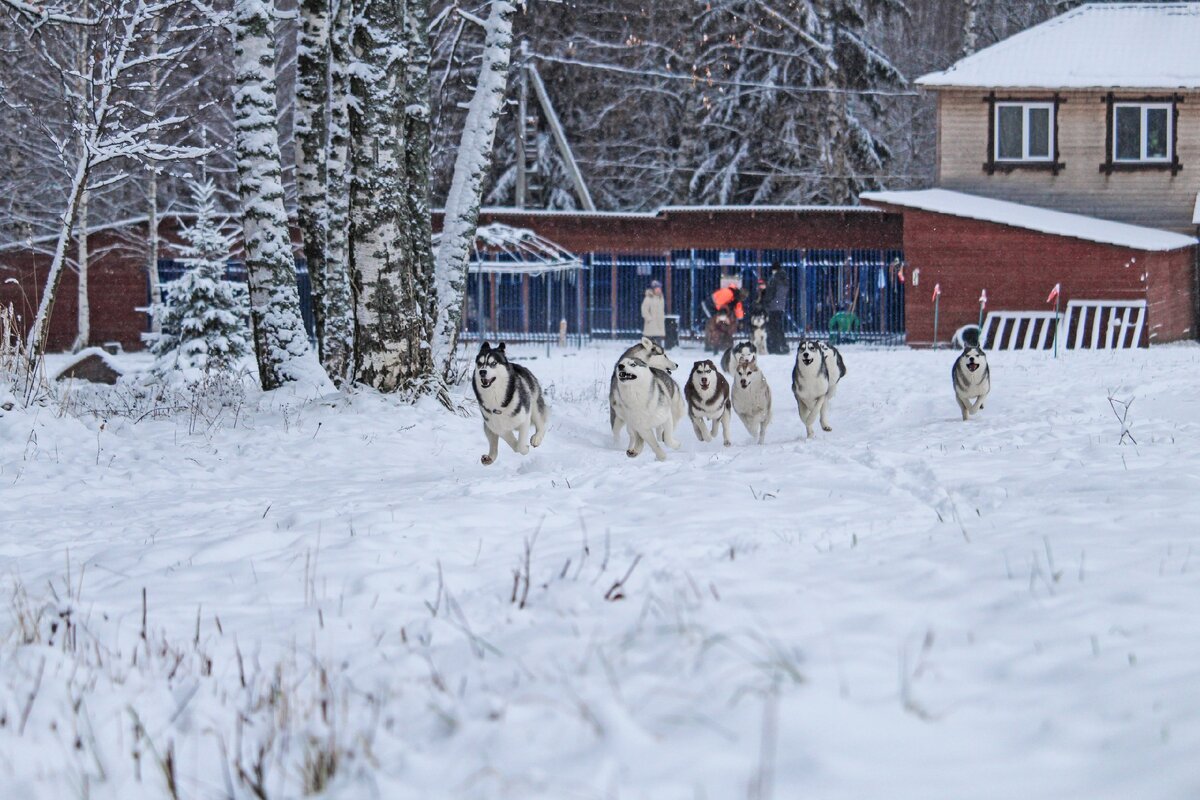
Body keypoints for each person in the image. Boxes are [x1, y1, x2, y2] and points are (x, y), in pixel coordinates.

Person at [763, 262, 790, 354]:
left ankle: (775, 347)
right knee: (779, 327)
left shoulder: (774, 279)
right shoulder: (785, 278)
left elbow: (770, 293)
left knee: (773, 328)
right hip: (781, 306)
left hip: (773, 306)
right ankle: (783, 346)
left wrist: (766, 302)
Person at [641, 280, 666, 346]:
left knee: (658, 344)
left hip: (659, 325)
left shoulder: (661, 298)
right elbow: (644, 310)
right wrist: (649, 319)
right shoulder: (648, 298)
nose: (658, 290)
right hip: (651, 326)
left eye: (659, 288)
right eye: (657, 289)